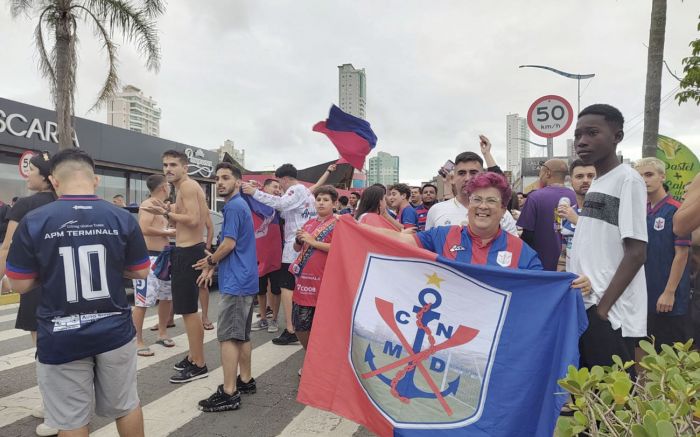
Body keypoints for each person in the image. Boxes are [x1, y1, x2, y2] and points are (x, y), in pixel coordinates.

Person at [6, 149, 149, 437]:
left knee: (71, 421)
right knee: (126, 405)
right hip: (115, 330)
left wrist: (50, 274)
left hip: (61, 333)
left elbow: (18, 284)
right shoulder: (121, 217)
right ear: (95, 180)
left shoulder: (35, 220)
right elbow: (141, 271)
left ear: (55, 182)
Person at [365, 172, 591, 294]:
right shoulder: (443, 236)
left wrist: (575, 286)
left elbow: (545, 291)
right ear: (469, 205)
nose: (483, 206)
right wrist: (355, 228)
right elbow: (400, 239)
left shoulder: (523, 253)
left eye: (491, 201)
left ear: (503, 209)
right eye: (477, 200)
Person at [569, 104, 648, 371]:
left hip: (611, 315)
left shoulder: (628, 180)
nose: (582, 141)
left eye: (592, 133)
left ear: (617, 136)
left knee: (614, 400)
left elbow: (637, 251)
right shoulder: (599, 183)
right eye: (578, 134)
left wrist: (603, 310)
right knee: (591, 399)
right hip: (588, 306)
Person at [0, 151, 57, 436]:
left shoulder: (24, 206)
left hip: (34, 284)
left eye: (31, 171)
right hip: (62, 283)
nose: (27, 176)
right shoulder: (64, 203)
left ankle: (57, 412)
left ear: (45, 177)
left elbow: (8, 248)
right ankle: (52, 405)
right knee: (59, 348)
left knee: (44, 351)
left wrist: (2, 277)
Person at [193, 163, 258, 412]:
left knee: (229, 337)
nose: (220, 182)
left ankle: (229, 392)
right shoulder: (241, 205)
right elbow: (232, 245)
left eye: (226, 178)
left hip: (237, 281)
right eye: (217, 178)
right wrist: (213, 264)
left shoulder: (232, 206)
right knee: (242, 334)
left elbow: (229, 244)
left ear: (238, 182)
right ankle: (245, 380)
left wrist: (210, 260)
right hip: (245, 278)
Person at [142, 150, 209, 383]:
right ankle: (193, 357)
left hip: (189, 251)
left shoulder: (188, 187)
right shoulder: (186, 188)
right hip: (187, 249)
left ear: (185, 167)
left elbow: (192, 219)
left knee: (189, 312)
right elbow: (195, 220)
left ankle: (199, 364)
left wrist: (166, 211)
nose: (168, 169)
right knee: (188, 310)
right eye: (165, 165)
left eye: (173, 165)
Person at [241, 163, 316, 346]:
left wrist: (254, 193)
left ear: (283, 178)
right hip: (305, 243)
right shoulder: (307, 193)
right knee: (299, 287)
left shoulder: (295, 190)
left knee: (287, 287)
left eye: (279, 183)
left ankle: (292, 329)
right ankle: (302, 327)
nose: (279, 187)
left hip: (294, 245)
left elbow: (281, 204)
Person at [635, 158, 691, 350]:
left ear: (662, 176)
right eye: (639, 176)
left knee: (671, 355)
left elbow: (682, 254)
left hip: (670, 297)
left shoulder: (676, 209)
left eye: (649, 174)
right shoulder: (638, 211)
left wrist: (669, 292)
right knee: (644, 351)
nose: (643, 180)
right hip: (643, 294)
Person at [290, 185, 339, 375]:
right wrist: (299, 240)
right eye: (318, 199)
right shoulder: (309, 223)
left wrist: (313, 242)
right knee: (300, 326)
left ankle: (320, 362)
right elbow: (297, 249)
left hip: (325, 283)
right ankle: (313, 356)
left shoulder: (339, 224)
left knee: (323, 328)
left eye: (326, 200)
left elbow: (338, 248)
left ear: (334, 203)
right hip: (304, 283)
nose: (321, 203)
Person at [132, 174, 177, 357]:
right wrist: (166, 231)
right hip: (148, 258)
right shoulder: (148, 204)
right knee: (142, 301)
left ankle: (162, 332)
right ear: (164, 187)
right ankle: (137, 340)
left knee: (166, 297)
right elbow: (143, 228)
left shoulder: (160, 206)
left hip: (164, 256)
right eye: (168, 185)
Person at [426, 151, 518, 234]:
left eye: (473, 173)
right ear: (453, 178)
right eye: (461, 173)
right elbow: (427, 249)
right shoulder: (436, 210)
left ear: (483, 175)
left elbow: (513, 249)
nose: (467, 178)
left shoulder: (501, 213)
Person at [517, 159, 577, 271]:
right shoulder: (576, 197)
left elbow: (527, 236)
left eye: (540, 172)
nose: (539, 176)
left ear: (548, 173)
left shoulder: (535, 197)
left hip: (540, 265)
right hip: (570, 265)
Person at [251, 178, 283, 333]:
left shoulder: (279, 204)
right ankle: (263, 318)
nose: (277, 190)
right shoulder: (254, 201)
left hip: (276, 253)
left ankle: (274, 319)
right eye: (274, 187)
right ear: (264, 188)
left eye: (279, 187)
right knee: (261, 290)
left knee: (276, 290)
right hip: (259, 254)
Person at [558, 159, 596, 272]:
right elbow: (564, 252)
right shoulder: (568, 212)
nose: (585, 180)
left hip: (596, 283)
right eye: (579, 176)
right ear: (571, 181)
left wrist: (577, 221)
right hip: (572, 280)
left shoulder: (606, 211)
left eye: (591, 176)